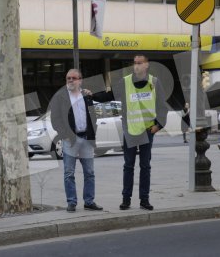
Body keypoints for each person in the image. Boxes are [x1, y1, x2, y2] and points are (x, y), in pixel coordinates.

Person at [92, 55, 168, 211]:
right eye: (134, 63)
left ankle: (144, 200)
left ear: (147, 65)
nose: (136, 66)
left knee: (145, 166)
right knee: (128, 166)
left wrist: (158, 126)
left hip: (147, 131)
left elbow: (162, 106)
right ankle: (126, 199)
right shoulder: (125, 82)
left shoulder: (154, 82)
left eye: (140, 63)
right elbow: (109, 95)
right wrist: (91, 96)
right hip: (130, 131)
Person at [50, 69, 103, 213]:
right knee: (69, 173)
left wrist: (93, 132)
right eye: (68, 78)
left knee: (89, 172)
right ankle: (72, 202)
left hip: (86, 139)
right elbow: (55, 119)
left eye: (74, 78)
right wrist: (65, 134)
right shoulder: (60, 97)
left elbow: (93, 116)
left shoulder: (86, 95)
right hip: (70, 140)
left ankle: (89, 201)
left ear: (80, 80)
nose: (70, 80)